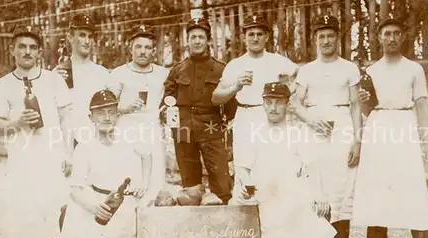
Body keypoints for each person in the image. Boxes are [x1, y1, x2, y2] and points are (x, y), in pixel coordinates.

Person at [353, 16, 428, 238]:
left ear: (403, 37)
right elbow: (366, 109)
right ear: (379, 38)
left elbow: (423, 104)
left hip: (404, 125)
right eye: (387, 33)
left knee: (412, 183)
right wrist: (364, 99)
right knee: (377, 182)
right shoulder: (371, 70)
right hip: (378, 125)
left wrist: (425, 140)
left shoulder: (413, 69)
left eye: (396, 33)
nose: (392, 38)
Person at [232, 82, 337, 238]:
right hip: (264, 197)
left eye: (278, 103)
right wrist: (245, 188)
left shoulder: (297, 133)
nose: (273, 108)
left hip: (291, 197)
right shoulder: (253, 133)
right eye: (269, 102)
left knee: (318, 211)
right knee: (243, 214)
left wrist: (318, 194)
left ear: (287, 105)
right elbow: (243, 169)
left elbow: (311, 169)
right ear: (262, 104)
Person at [0, 25, 72, 238]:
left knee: (59, 197)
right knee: (29, 199)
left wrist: (68, 151)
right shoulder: (3, 85)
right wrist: (18, 122)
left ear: (40, 52)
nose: (27, 52)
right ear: (12, 50)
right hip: (23, 152)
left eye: (32, 47)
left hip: (52, 148)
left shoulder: (53, 80)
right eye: (22, 47)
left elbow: (67, 117)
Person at [50, 90, 153, 238]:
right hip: (97, 202)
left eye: (112, 112)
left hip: (123, 203)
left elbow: (147, 154)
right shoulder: (85, 146)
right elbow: (75, 188)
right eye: (100, 113)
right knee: (74, 209)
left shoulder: (128, 138)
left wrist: (145, 182)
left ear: (118, 115)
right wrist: (94, 207)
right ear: (91, 117)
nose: (107, 118)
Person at [292, 15, 362, 238]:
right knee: (316, 178)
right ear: (315, 40)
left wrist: (357, 140)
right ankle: (318, 237)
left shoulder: (349, 68)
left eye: (330, 36)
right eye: (321, 36)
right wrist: (311, 120)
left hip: (342, 125)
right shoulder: (307, 71)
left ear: (338, 38)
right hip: (314, 127)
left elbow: (355, 105)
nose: (326, 40)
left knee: (343, 179)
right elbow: (296, 103)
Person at [211, 15, 299, 200]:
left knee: (273, 167)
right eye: (251, 34)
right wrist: (236, 87)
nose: (255, 38)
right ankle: (247, 221)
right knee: (244, 168)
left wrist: (289, 90)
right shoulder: (236, 65)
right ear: (245, 37)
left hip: (271, 117)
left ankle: (274, 217)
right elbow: (215, 98)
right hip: (245, 115)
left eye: (260, 34)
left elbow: (300, 78)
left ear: (267, 36)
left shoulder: (278, 61)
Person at [161, 17, 236, 205]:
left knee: (222, 184)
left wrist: (229, 132)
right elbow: (167, 102)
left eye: (201, 37)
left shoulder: (221, 69)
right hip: (184, 131)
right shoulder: (177, 70)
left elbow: (230, 106)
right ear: (188, 41)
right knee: (190, 187)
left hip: (211, 129)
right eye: (193, 37)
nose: (197, 41)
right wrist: (172, 124)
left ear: (208, 40)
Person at [109, 24, 168, 202]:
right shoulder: (119, 73)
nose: (143, 52)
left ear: (154, 50)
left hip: (153, 132)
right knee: (127, 180)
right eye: (138, 47)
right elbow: (108, 107)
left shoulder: (163, 74)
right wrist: (124, 107)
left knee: (154, 182)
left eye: (147, 47)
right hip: (126, 132)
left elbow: (169, 102)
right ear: (130, 48)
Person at [54, 13, 113, 146]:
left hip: (95, 141)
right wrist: (54, 81)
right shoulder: (60, 72)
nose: (87, 41)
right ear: (70, 37)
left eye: (90, 36)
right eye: (82, 35)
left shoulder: (102, 73)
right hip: (66, 141)